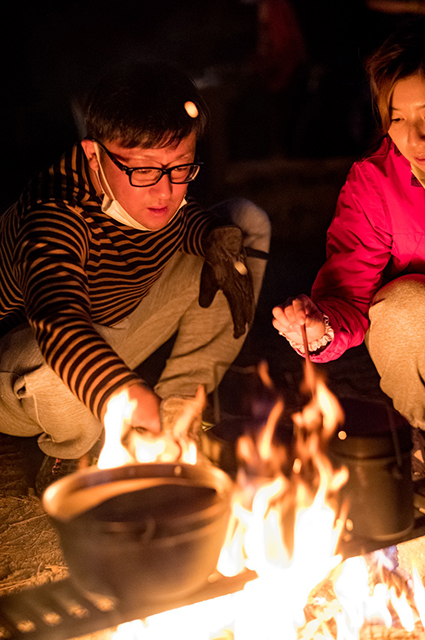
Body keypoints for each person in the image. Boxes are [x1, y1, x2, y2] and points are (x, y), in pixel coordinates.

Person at [0, 60, 270, 494]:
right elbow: (58, 320)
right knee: (51, 367)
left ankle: (173, 418)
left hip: (110, 325)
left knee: (243, 225)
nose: (164, 191)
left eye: (180, 167)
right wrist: (126, 394)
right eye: (144, 170)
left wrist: (209, 236)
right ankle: (68, 452)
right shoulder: (54, 213)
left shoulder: (156, 181)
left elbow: (180, 220)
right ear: (93, 154)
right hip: (24, 368)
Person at [272, 19, 425, 451]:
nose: (414, 138)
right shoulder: (375, 183)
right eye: (397, 119)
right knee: (401, 309)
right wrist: (320, 326)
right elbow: (350, 292)